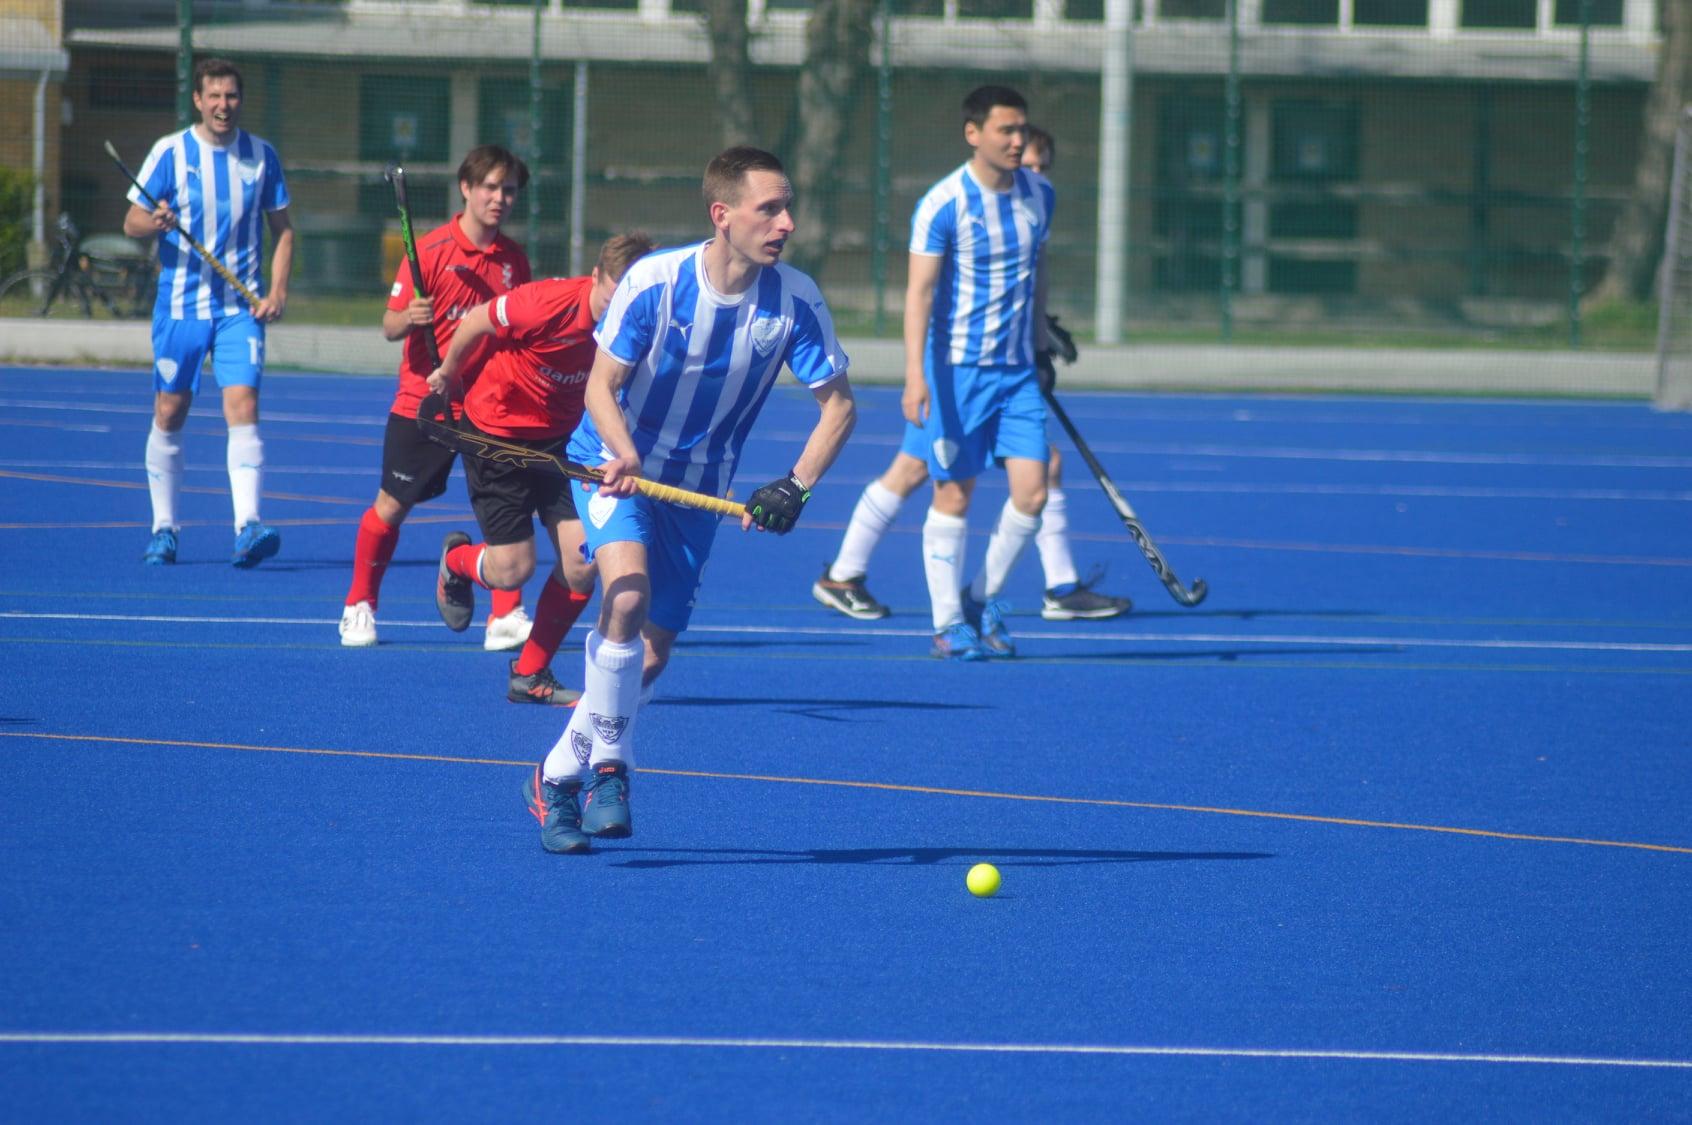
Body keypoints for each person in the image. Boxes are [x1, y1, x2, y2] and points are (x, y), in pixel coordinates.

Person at [521, 145, 855, 854]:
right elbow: (598, 387)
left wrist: (795, 484)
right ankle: (612, 765)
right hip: (611, 465)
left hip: (699, 490)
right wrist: (624, 452)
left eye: (787, 206)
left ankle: (556, 773)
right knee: (627, 596)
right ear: (722, 214)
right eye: (769, 208)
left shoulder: (795, 299)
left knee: (652, 653)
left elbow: (839, 408)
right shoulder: (655, 282)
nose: (786, 222)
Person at [811, 122, 1130, 626]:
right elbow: (939, 290)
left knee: (922, 470)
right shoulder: (961, 204)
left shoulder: (1031, 205)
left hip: (1002, 369)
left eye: (1043, 165)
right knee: (1020, 469)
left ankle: (846, 575)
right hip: (958, 373)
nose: (1034, 171)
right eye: (1029, 163)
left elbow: (1025, 277)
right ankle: (1052, 588)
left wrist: (1037, 335)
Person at [429, 232, 657, 706]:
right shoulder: (543, 303)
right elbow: (477, 320)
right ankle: (456, 562)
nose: (621, 312)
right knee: (513, 571)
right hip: (496, 435)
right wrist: (450, 371)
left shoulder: (642, 325)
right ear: (595, 277)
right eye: (614, 295)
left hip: (562, 443)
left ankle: (529, 674)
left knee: (581, 565)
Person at [336, 145, 535, 650]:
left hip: (489, 405)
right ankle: (359, 603)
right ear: (466, 189)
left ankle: (505, 614)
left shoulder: (513, 260)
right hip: (424, 402)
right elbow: (389, 326)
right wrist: (412, 319)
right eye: (490, 187)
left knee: (503, 508)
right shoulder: (429, 251)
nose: (499, 198)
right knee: (392, 505)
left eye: (508, 190)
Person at [126, 57, 293, 568]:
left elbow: (283, 230)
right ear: (198, 100)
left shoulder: (261, 156)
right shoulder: (170, 153)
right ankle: (164, 529)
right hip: (180, 308)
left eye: (232, 96)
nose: (224, 105)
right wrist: (155, 221)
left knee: (242, 405)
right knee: (169, 413)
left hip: (238, 311)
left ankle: (247, 526)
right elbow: (132, 220)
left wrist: (277, 290)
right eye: (214, 96)